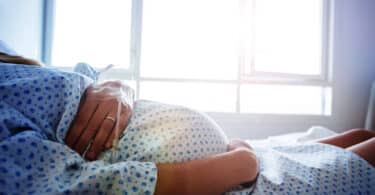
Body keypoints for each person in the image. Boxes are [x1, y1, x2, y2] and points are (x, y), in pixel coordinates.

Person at [0, 44, 374, 194]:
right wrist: (234, 166)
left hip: (238, 158)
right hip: (230, 182)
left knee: (358, 133)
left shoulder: (8, 63)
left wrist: (117, 87)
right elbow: (78, 187)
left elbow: (82, 76)